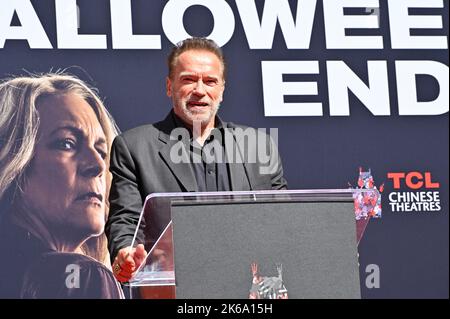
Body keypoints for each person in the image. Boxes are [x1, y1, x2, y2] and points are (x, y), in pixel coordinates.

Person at [106, 37, 288, 283]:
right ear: (169, 86)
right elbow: (126, 221)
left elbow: (284, 220)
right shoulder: (133, 147)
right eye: (188, 80)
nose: (200, 90)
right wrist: (126, 254)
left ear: (222, 90)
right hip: (173, 289)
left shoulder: (258, 146)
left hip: (247, 291)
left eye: (210, 81)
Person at [0, 73, 123, 298]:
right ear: (14, 163)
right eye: (67, 144)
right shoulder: (85, 276)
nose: (98, 166)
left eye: (102, 151)